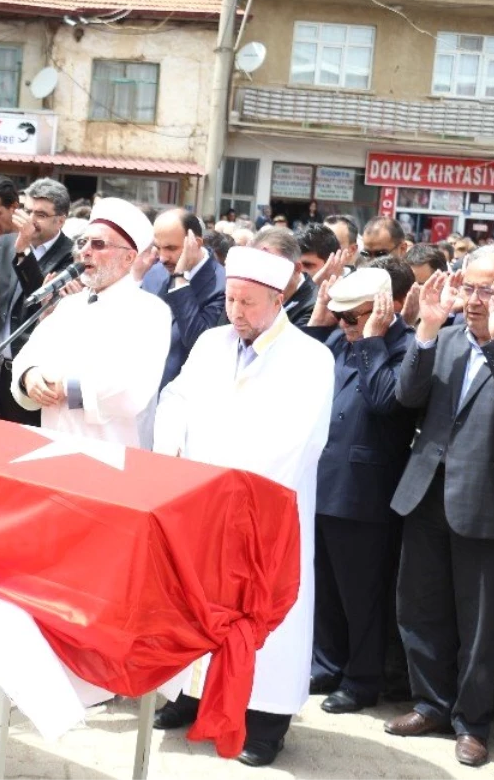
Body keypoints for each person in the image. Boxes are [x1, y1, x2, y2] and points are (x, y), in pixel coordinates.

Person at [152, 245, 334, 768]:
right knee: (198, 605)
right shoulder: (211, 342)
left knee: (266, 618)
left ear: (278, 300)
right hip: (201, 503)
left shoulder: (310, 357)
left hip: (263, 514)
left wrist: (232, 494)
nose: (237, 312)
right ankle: (188, 696)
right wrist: (175, 461)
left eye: (249, 303)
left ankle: (267, 721)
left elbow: (298, 440)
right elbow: (176, 399)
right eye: (231, 299)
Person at [385, 252, 494, 768]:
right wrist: (427, 331)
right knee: (420, 607)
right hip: (428, 490)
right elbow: (406, 395)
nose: (473, 301)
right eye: (469, 289)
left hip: (490, 501)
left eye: (488, 292)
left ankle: (472, 722)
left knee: (482, 624)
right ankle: (431, 703)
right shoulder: (448, 335)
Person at [302, 268, 416, 715]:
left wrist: (371, 339)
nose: (346, 326)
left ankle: (362, 678)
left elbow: (385, 400)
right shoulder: (339, 339)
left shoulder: (403, 346)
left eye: (355, 318)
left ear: (382, 309)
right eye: (342, 318)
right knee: (325, 586)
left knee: (361, 594)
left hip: (365, 492)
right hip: (322, 481)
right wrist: (321, 316)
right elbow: (305, 362)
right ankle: (327, 663)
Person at [10, 197, 170, 448]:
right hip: (52, 442)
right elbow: (28, 356)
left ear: (128, 258)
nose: (85, 251)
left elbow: (131, 390)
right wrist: (28, 378)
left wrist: (66, 388)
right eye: (82, 242)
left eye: (98, 244)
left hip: (111, 451)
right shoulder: (69, 305)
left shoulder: (150, 311)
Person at [0, 177, 75, 423]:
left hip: (28, 376)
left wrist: (24, 251)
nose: (30, 219)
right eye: (27, 210)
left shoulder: (71, 256)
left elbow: (39, 301)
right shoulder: (4, 241)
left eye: (40, 214)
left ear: (60, 220)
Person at [136, 209, 227, 389]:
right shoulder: (154, 274)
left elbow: (198, 343)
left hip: (183, 400)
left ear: (196, 243)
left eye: (171, 248)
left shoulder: (222, 285)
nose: (162, 257)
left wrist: (180, 280)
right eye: (158, 247)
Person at [254, 227, 318, 328]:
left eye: (273, 268)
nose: (264, 276)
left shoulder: (314, 306)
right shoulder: (248, 293)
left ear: (297, 269)